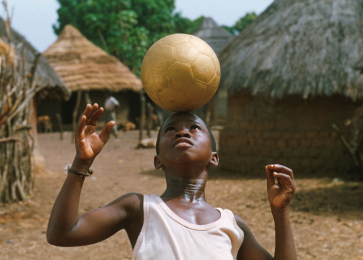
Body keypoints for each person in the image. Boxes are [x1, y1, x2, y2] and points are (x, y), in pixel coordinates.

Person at [47, 103, 297, 260]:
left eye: (195, 128)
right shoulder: (139, 209)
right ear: (158, 161)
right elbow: (62, 234)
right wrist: (81, 164)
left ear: (214, 157)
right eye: (170, 130)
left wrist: (280, 211)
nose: (182, 131)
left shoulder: (232, 226)